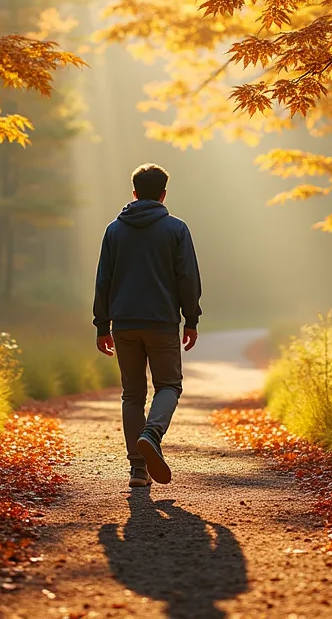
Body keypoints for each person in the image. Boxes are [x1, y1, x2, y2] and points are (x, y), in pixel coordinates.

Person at [93, 163, 202, 488]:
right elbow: (187, 277)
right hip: (162, 322)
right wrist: (191, 318)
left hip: (124, 323)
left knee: (132, 395)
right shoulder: (176, 229)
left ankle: (138, 470)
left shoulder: (114, 230)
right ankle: (152, 435)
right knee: (169, 385)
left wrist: (102, 325)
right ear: (163, 194)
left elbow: (104, 281)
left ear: (135, 193)